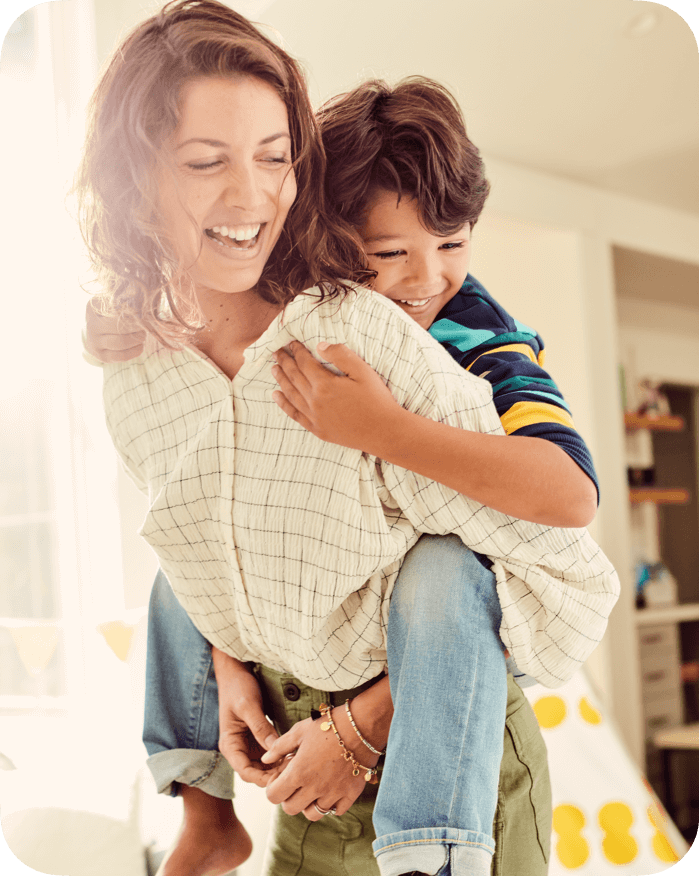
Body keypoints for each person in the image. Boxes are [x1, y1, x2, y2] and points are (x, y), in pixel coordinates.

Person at [77, 3, 619, 875]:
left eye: (450, 246)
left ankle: (432, 847)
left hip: (441, 719)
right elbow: (221, 544)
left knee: (442, 565)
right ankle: (199, 806)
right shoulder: (197, 353)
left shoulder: (468, 338)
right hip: (303, 750)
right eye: (386, 254)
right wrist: (228, 667)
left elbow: (567, 509)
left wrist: (382, 429)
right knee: (177, 550)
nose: (425, 281)